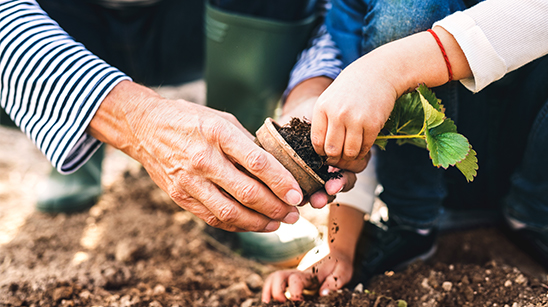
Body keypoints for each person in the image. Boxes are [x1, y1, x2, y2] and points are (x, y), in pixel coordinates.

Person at [261, 0, 548, 302]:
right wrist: (340, 248)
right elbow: (357, 104)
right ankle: (412, 223)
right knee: (404, 8)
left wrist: (392, 68)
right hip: (428, 180)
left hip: (535, 150)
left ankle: (536, 213)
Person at [0, 0, 364, 234]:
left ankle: (240, 169)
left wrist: (312, 87)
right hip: (54, 22)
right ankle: (79, 138)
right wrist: (134, 119)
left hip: (195, 23)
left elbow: (339, 7)